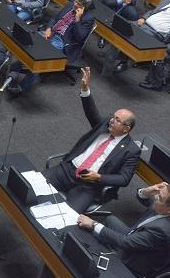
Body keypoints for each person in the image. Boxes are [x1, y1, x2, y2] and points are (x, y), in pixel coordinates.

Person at [42, 67, 139, 213]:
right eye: (113, 117)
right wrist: (85, 89)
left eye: (117, 120)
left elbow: (124, 179)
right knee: (32, 185)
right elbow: (91, 112)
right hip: (67, 170)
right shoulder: (105, 124)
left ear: (126, 129)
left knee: (68, 215)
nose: (112, 120)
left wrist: (99, 177)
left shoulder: (131, 150)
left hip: (88, 184)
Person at [76, 182, 170, 278]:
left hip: (133, 260)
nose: (155, 197)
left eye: (159, 197)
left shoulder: (162, 231)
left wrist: (93, 224)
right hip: (138, 236)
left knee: (94, 239)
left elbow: (125, 242)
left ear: (169, 210)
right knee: (110, 220)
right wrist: (146, 191)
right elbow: (146, 200)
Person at [7, 0, 96, 94]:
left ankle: (22, 87)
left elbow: (80, 38)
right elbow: (55, 18)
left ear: (85, 7)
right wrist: (48, 28)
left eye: (79, 4)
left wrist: (77, 19)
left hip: (62, 41)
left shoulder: (88, 18)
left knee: (40, 58)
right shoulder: (69, 5)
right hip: (51, 32)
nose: (75, 4)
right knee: (27, 43)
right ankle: (12, 71)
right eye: (76, 1)